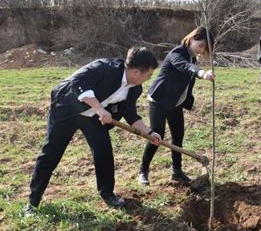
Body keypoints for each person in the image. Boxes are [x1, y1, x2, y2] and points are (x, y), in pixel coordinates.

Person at [24, 47, 161, 216]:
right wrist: (99, 109)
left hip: (92, 117)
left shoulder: (134, 88)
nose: (148, 79)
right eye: (148, 75)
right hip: (67, 108)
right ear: (135, 71)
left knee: (103, 150)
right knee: (51, 153)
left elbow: (130, 114)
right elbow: (78, 83)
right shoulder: (104, 67)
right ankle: (33, 201)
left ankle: (107, 193)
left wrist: (149, 132)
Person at [137, 26, 215, 186]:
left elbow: (187, 77)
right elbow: (185, 67)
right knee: (156, 135)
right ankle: (142, 171)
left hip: (174, 103)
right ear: (192, 39)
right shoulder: (177, 53)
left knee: (178, 135)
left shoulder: (192, 58)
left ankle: (177, 171)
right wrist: (201, 73)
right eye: (200, 45)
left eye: (204, 49)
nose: (201, 50)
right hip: (159, 100)